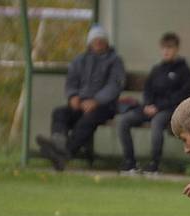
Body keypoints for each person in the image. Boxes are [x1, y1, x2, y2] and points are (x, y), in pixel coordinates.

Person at [36, 25, 125, 171]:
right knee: (60, 113)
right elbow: (71, 81)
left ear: (106, 43)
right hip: (80, 103)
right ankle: (58, 145)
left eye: (101, 40)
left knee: (88, 119)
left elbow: (114, 86)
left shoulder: (115, 61)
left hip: (104, 106)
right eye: (95, 40)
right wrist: (73, 96)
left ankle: (65, 152)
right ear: (90, 42)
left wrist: (96, 101)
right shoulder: (79, 60)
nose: (98, 43)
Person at [117, 32, 190, 175]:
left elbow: (181, 96)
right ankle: (129, 162)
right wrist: (147, 104)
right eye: (164, 48)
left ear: (177, 49)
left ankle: (154, 164)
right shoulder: (157, 69)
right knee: (124, 121)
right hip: (150, 108)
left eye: (169, 48)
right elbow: (148, 89)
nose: (166, 51)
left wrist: (158, 107)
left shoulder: (184, 71)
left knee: (157, 123)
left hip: (170, 110)